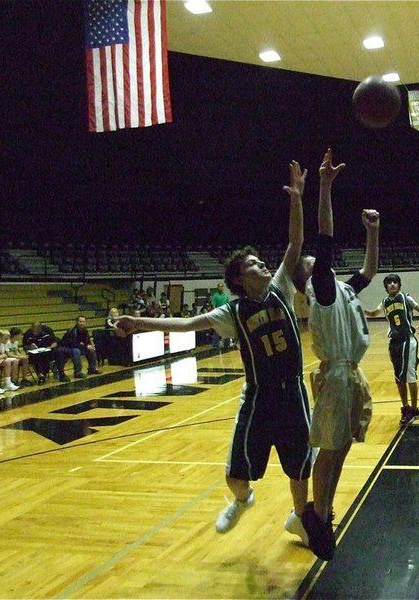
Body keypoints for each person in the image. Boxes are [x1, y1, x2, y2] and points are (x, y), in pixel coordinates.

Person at [113, 159, 313, 546]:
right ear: (238, 278)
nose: (263, 264)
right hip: (259, 397)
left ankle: (299, 519)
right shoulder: (232, 312)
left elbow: (295, 243)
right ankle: (243, 499)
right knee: (235, 473)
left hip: (293, 392)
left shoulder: (281, 288)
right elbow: (187, 325)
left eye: (260, 261)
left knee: (299, 469)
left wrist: (298, 200)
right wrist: (139, 323)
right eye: (253, 263)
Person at [290, 148, 379, 560]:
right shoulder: (320, 290)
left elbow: (368, 272)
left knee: (341, 447)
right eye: (311, 262)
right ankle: (318, 516)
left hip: (351, 373)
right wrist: (324, 186)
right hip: (337, 375)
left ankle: (320, 511)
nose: (317, 260)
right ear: (309, 273)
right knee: (330, 448)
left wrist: (373, 232)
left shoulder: (341, 290)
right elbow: (323, 236)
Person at [365, 274, 419, 426]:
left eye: (395, 282)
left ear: (399, 285)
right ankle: (405, 408)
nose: (392, 284)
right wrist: (360, 310)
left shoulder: (405, 298)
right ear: (385, 286)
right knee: (399, 378)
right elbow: (373, 313)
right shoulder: (385, 302)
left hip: (408, 340)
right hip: (394, 342)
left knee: (409, 375)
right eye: (389, 283)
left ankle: (414, 408)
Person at [210, 282, 232, 351]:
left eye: (222, 286)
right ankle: (215, 346)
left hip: (225, 315)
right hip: (218, 315)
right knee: (216, 331)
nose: (221, 287)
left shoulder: (225, 296)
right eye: (219, 286)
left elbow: (227, 305)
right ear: (217, 287)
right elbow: (213, 306)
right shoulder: (215, 296)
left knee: (227, 330)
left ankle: (227, 345)